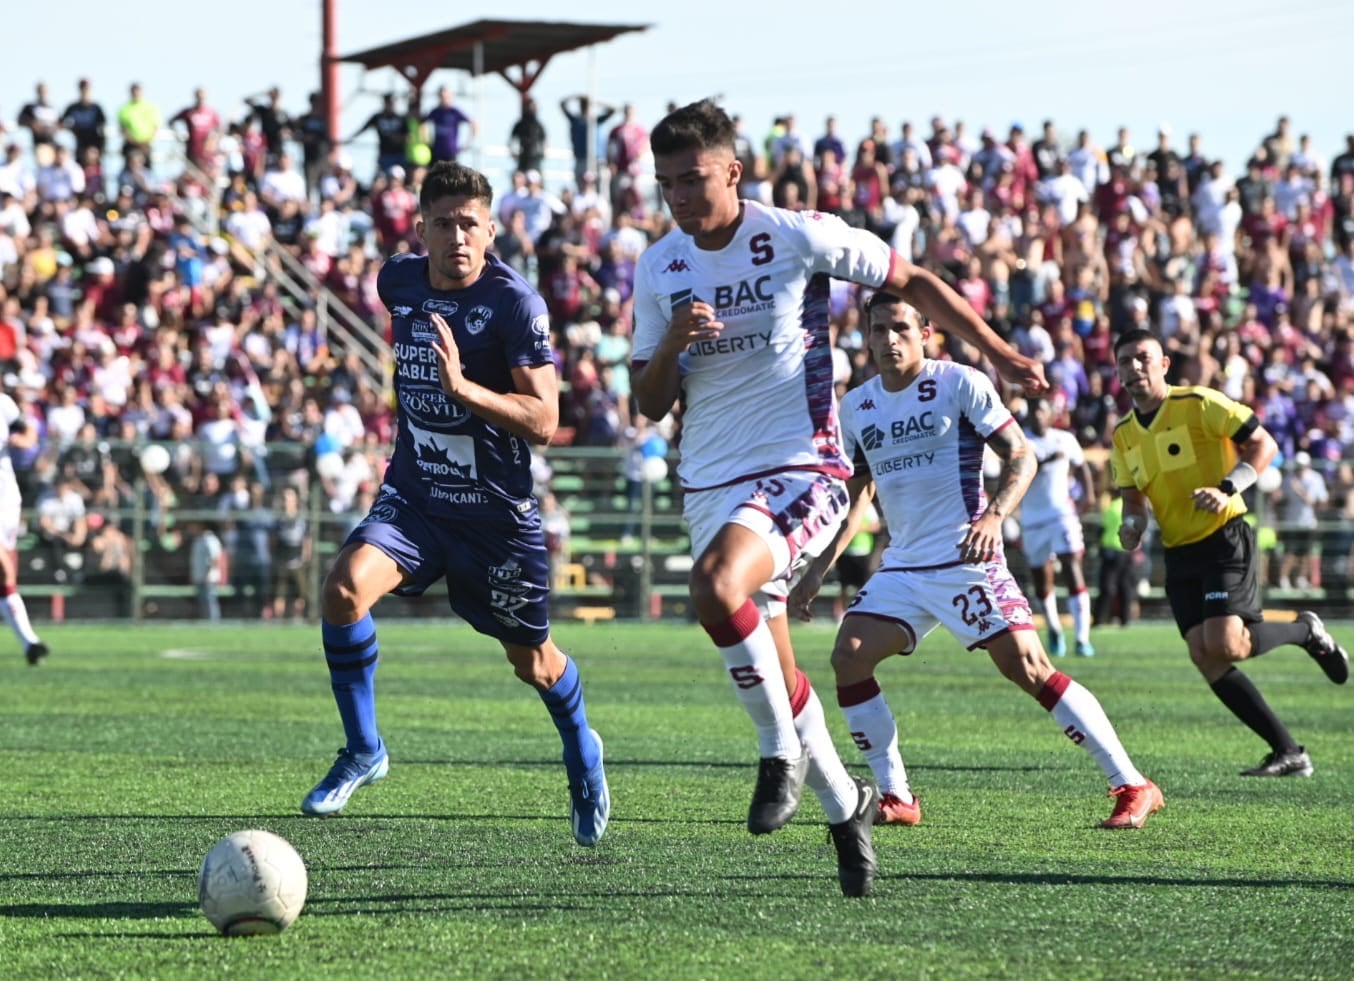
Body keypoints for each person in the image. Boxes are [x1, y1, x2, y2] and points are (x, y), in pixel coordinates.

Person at [630, 99, 1047, 896]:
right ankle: (846, 804)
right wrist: (676, 343)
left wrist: (999, 351)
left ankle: (775, 754)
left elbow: (915, 279)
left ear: (733, 172)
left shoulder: (796, 234)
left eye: (693, 179)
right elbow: (648, 404)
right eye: (666, 183)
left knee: (717, 586)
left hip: (803, 467)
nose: (679, 197)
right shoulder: (659, 267)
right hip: (710, 480)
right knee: (781, 671)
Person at [300, 161, 610, 848]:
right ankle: (364, 749)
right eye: (444, 223)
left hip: (496, 519)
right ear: (422, 229)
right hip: (416, 495)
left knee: (533, 662)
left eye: (471, 223)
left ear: (491, 229)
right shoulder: (397, 281)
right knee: (345, 587)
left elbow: (544, 417)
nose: (458, 237)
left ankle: (582, 752)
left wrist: (464, 388)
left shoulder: (515, 304)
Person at [789, 293, 1163, 832]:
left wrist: (993, 517)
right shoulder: (857, 406)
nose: (888, 340)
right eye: (877, 330)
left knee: (1029, 669)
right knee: (848, 656)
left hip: (967, 555)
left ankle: (1133, 783)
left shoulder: (958, 383)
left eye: (900, 327)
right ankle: (897, 795)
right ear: (865, 337)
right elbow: (857, 496)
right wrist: (817, 571)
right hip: (904, 566)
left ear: (926, 333)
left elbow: (1021, 454)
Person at [1110, 328, 1349, 777]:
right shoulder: (1123, 434)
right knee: (1206, 655)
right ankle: (1288, 752)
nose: (1134, 367)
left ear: (1164, 364)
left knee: (1225, 644)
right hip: (1179, 552)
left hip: (1223, 535)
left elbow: (1265, 444)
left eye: (1143, 357)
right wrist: (1132, 527)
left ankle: (1306, 630)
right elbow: (1133, 498)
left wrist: (1227, 488)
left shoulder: (1199, 403)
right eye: (1125, 360)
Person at [1018, 397, 1097, 657]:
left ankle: (1082, 638)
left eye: (1041, 410)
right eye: (1032, 411)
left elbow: (1081, 465)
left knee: (1073, 565)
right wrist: (1048, 459)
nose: (1036, 416)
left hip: (1062, 514)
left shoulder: (1065, 439)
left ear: (1051, 414)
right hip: (1032, 519)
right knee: (1042, 580)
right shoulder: (1022, 441)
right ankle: (1054, 628)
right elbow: (1020, 469)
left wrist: (1089, 495)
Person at [0, 391, 48, 664]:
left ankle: (29, 645)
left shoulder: (3, 404)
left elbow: (27, 429)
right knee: (4, 568)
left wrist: (25, 440)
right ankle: (30, 641)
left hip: (7, 501)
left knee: (4, 582)